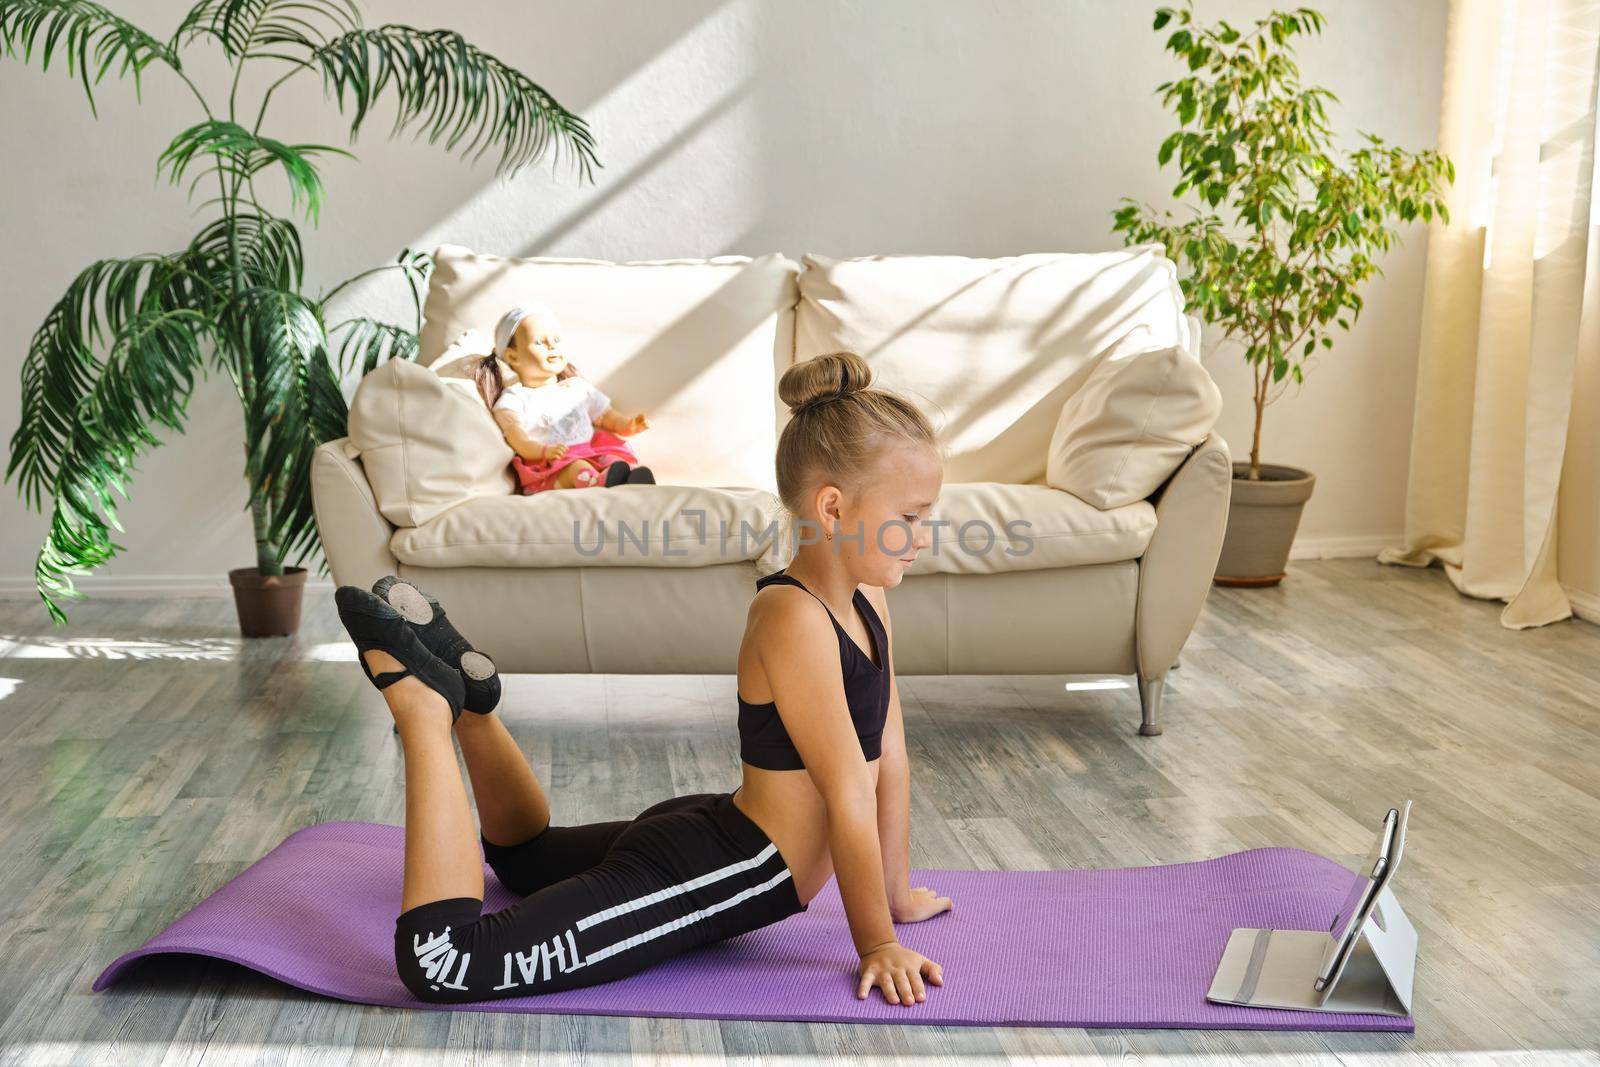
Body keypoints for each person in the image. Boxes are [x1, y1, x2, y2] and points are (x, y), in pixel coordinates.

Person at [334, 350, 953, 1007]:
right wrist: (877, 942)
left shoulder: (865, 597)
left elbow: (892, 760)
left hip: (714, 827)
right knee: (447, 963)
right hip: (733, 867)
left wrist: (895, 891)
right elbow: (848, 793)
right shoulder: (793, 617)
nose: (924, 534)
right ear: (832, 509)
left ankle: (475, 706)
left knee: (526, 861)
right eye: (910, 516)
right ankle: (424, 708)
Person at [475, 303, 655, 492]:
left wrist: (628, 426)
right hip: (550, 467)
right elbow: (517, 439)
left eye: (556, 339)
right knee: (577, 468)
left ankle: (629, 480)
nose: (552, 345)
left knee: (614, 461)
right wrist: (543, 451)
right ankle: (597, 483)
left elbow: (605, 415)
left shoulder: (576, 387)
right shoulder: (515, 399)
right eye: (539, 342)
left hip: (590, 452)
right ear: (513, 357)